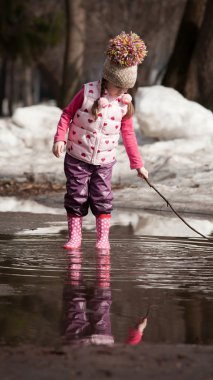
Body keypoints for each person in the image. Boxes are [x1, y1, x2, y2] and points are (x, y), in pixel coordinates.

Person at [52, 32, 148, 250]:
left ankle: (102, 238)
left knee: (102, 197)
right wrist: (60, 138)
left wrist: (138, 164)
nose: (122, 92)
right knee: (76, 195)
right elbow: (66, 114)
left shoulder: (124, 105)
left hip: (104, 161)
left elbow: (129, 135)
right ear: (107, 78)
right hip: (77, 156)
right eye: (118, 86)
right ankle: (75, 237)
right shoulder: (87, 92)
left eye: (126, 89)